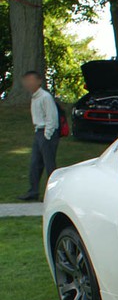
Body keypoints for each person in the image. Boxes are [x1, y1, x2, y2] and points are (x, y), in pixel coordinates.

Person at [18, 71, 60, 202]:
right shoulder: (34, 97)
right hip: (39, 132)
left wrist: (47, 135)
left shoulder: (45, 97)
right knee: (35, 163)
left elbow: (51, 117)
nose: (28, 84)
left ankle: (53, 194)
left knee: (49, 165)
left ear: (39, 81)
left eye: (31, 80)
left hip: (47, 133)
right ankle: (33, 191)